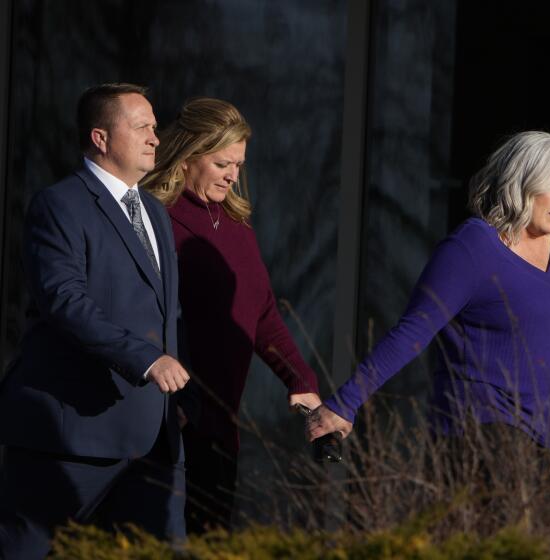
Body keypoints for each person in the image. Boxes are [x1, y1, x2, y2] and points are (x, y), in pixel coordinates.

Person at [306, 131, 550, 455]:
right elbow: (414, 331)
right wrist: (346, 402)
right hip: (483, 431)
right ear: (525, 179)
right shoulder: (473, 246)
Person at [0, 83, 189, 558]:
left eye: (154, 127)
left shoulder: (155, 213)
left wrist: (175, 402)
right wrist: (148, 361)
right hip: (72, 436)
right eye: (141, 126)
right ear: (101, 138)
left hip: (151, 440)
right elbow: (64, 301)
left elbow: (166, 313)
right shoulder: (58, 205)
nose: (155, 138)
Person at [142, 97, 321, 533]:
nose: (233, 175)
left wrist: (301, 380)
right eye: (223, 162)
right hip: (167, 425)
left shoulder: (236, 225)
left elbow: (261, 313)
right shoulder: (153, 217)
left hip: (222, 427)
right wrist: (172, 401)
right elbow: (137, 316)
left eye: (239, 164)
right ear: (187, 157)